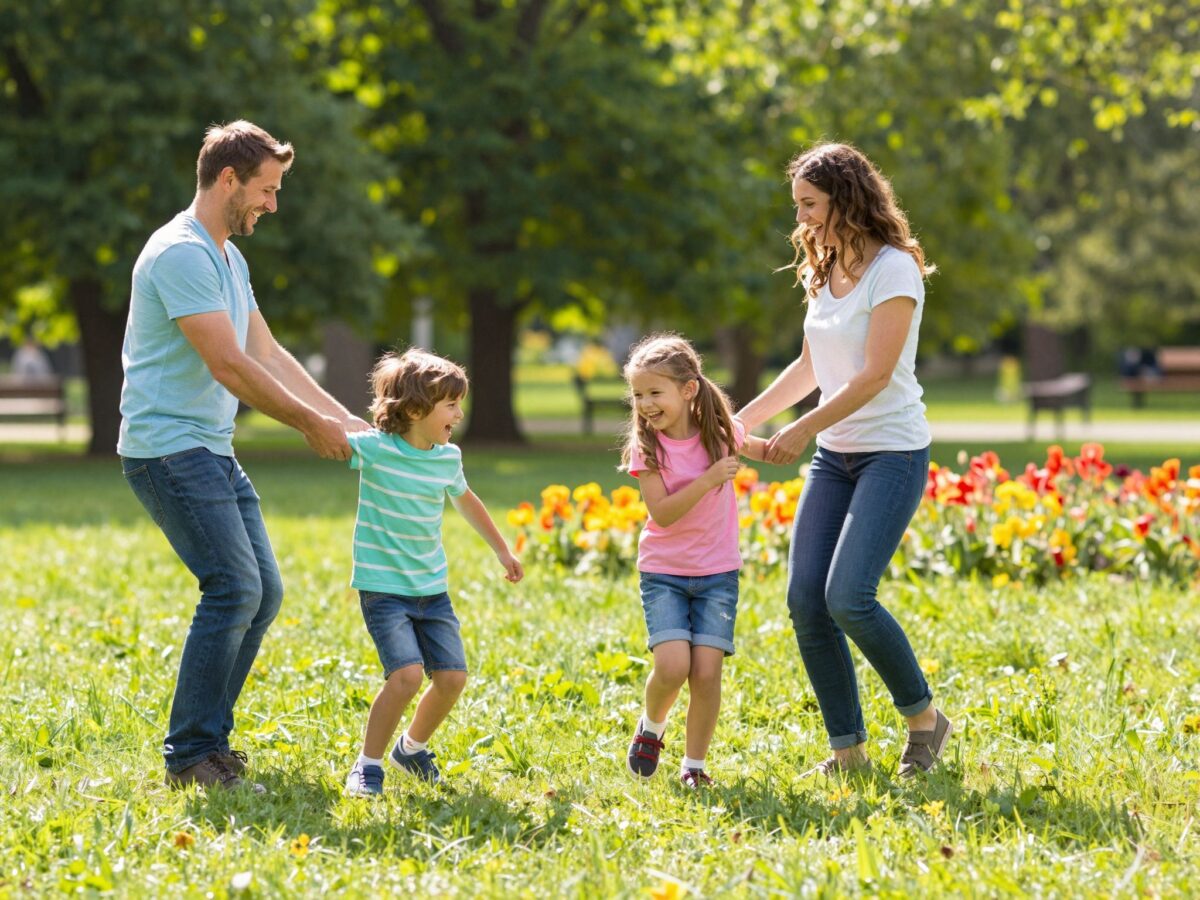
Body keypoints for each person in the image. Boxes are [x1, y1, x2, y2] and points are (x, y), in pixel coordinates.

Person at [118, 121, 371, 791]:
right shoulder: (179, 254)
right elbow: (228, 364)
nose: (273, 204)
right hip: (168, 450)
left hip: (208, 448)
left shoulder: (228, 257)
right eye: (266, 189)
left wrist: (341, 416)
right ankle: (191, 756)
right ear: (227, 180)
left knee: (262, 595)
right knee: (233, 588)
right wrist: (305, 424)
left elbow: (267, 353)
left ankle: (210, 743)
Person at [737, 142, 952, 779]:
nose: (801, 218)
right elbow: (809, 367)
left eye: (810, 204)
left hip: (891, 453)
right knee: (806, 599)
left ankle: (924, 721)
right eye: (798, 204)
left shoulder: (894, 270)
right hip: (838, 456)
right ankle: (847, 751)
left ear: (845, 199)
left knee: (848, 597)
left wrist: (798, 431)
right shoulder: (823, 266)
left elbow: (874, 376)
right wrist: (740, 421)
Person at [343, 349, 524, 797]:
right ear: (417, 409)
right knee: (405, 676)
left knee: (452, 678)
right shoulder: (375, 450)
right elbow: (327, 436)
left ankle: (411, 748)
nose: (459, 415)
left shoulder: (447, 457)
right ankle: (367, 765)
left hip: (431, 590)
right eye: (451, 405)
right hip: (384, 589)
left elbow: (467, 501)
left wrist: (502, 550)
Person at [620, 334, 766, 788]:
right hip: (664, 573)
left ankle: (694, 767)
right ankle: (651, 726)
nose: (645, 403)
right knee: (672, 667)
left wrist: (791, 442)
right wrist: (707, 481)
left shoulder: (721, 435)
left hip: (718, 573)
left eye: (654, 392)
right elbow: (661, 514)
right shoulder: (646, 450)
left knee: (706, 672)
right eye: (638, 394)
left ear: (687, 390)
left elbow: (764, 447)